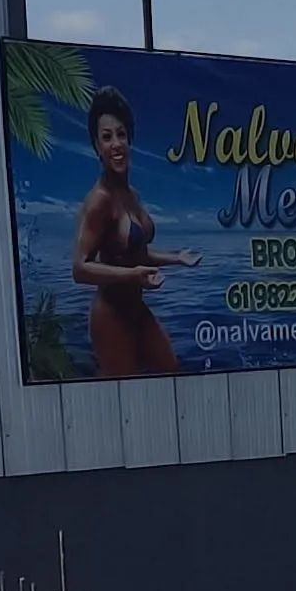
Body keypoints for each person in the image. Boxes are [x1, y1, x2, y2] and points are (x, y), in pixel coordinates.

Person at [71, 87, 192, 378]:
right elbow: (80, 268)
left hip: (137, 309)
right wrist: (134, 274)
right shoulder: (100, 200)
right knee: (122, 400)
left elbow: (136, 252)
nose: (116, 144)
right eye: (107, 137)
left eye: (121, 134)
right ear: (96, 146)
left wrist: (177, 258)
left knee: (171, 371)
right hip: (111, 316)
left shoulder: (131, 194)